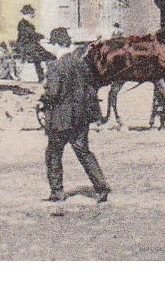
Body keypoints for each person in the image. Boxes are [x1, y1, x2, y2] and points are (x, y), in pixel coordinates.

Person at [40, 29, 110, 203]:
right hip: (81, 117)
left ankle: (57, 192)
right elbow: (90, 87)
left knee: (53, 153)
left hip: (61, 119)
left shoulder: (55, 66)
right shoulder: (81, 64)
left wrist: (43, 99)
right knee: (84, 152)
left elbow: (53, 93)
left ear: (56, 44)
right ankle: (101, 188)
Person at [16, 6, 50, 82]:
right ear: (26, 14)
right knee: (37, 57)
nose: (32, 16)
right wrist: (43, 36)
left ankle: (45, 76)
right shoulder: (23, 24)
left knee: (48, 56)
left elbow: (33, 34)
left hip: (32, 45)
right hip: (24, 45)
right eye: (31, 15)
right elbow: (31, 34)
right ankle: (42, 77)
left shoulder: (27, 23)